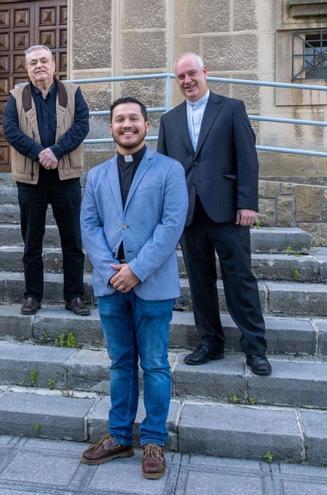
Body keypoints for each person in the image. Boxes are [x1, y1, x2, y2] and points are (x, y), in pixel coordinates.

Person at [80, 97, 187, 479]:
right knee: (121, 363)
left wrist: (137, 270)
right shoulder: (96, 176)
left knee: (155, 364)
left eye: (134, 119)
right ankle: (120, 435)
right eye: (119, 119)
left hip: (153, 284)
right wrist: (113, 270)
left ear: (146, 124)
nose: (127, 125)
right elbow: (89, 227)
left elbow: (172, 224)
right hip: (110, 285)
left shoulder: (170, 170)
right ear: (110, 127)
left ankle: (154, 439)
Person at [156, 53, 271, 376]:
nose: (187, 81)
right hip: (189, 215)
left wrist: (247, 203)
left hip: (228, 213)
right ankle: (211, 343)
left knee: (240, 280)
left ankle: (255, 349)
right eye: (181, 77)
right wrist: (168, 213)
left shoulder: (231, 108)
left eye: (192, 73)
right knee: (199, 282)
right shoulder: (169, 120)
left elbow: (247, 158)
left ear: (205, 72)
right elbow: (164, 170)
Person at [2, 44, 90, 317]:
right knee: (32, 241)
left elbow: (81, 126)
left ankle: (74, 296)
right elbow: (10, 130)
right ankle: (32, 295)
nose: (39, 66)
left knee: (73, 240)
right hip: (31, 179)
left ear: (54, 64)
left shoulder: (73, 93)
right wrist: (39, 152)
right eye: (33, 63)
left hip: (66, 177)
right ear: (26, 68)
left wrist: (57, 151)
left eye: (43, 61)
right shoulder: (16, 97)